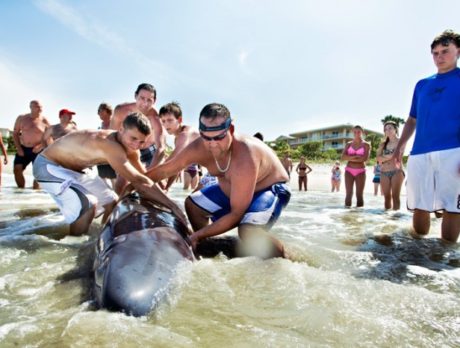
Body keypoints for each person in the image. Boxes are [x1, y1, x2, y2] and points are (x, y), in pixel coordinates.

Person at [147, 103, 291, 258]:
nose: (213, 144)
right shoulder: (199, 147)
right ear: (201, 133)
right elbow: (167, 169)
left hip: (269, 188)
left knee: (248, 232)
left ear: (231, 130)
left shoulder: (245, 154)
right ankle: (208, 248)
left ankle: (286, 258)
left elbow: (236, 214)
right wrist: (134, 183)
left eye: (219, 137)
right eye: (207, 138)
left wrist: (196, 236)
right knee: (193, 205)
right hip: (232, 187)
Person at [33, 112, 187, 236]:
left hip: (79, 170)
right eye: (133, 138)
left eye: (141, 142)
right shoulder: (109, 144)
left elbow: (144, 177)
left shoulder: (132, 149)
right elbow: (139, 181)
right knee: (88, 205)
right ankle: (74, 245)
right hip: (50, 166)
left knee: (111, 201)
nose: (136, 145)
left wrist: (163, 198)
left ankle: (101, 237)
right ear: (121, 130)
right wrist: (174, 207)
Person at [393, 29, 460, 242]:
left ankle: (444, 257)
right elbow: (412, 119)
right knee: (419, 204)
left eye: (445, 51)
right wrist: (399, 146)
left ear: (458, 51)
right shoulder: (422, 85)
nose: (439, 57)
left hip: (454, 151)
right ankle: (419, 255)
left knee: (452, 206)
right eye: (435, 53)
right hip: (420, 152)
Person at [110, 83, 166, 194]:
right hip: (129, 148)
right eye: (142, 98)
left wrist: (149, 173)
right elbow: (111, 134)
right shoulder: (121, 110)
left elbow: (161, 148)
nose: (145, 104)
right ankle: (118, 204)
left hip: (149, 150)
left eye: (149, 100)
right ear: (135, 96)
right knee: (122, 181)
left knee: (160, 185)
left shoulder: (155, 118)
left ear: (154, 101)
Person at [158, 102, 200, 191]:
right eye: (163, 121)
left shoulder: (186, 133)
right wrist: (167, 188)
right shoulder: (177, 139)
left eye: (170, 120)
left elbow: (172, 160)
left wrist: (147, 177)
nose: (166, 124)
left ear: (180, 120)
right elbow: (177, 167)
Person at [13, 100, 50, 189]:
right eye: (37, 106)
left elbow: (49, 136)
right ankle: (21, 192)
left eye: (41, 107)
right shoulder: (21, 118)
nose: (40, 108)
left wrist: (40, 146)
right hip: (23, 148)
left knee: (38, 173)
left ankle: (35, 195)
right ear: (31, 107)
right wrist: (19, 148)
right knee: (17, 169)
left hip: (38, 150)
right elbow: (15, 133)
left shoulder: (44, 120)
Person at [377, 121, 405, 210]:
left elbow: (398, 156)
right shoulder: (382, 144)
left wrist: (384, 158)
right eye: (386, 129)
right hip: (384, 172)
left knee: (395, 197)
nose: (387, 130)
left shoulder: (401, 141)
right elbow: (378, 158)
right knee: (386, 198)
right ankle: (387, 220)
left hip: (397, 171)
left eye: (390, 128)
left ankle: (396, 219)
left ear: (395, 129)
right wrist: (390, 156)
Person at [341, 125, 370, 207]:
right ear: (352, 132)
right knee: (348, 194)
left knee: (359, 195)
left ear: (362, 132)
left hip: (360, 171)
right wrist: (354, 157)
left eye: (359, 132)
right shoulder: (348, 144)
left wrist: (349, 158)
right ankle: (347, 216)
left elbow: (364, 159)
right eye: (355, 132)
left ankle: (359, 217)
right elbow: (342, 157)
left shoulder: (366, 145)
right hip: (349, 171)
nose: (357, 133)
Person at [96, 103, 117, 187]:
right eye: (98, 111)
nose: (98, 113)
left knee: (114, 180)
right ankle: (111, 198)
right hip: (102, 157)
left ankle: (119, 197)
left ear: (106, 110)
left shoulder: (115, 123)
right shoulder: (100, 126)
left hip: (113, 155)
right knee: (103, 179)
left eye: (100, 111)